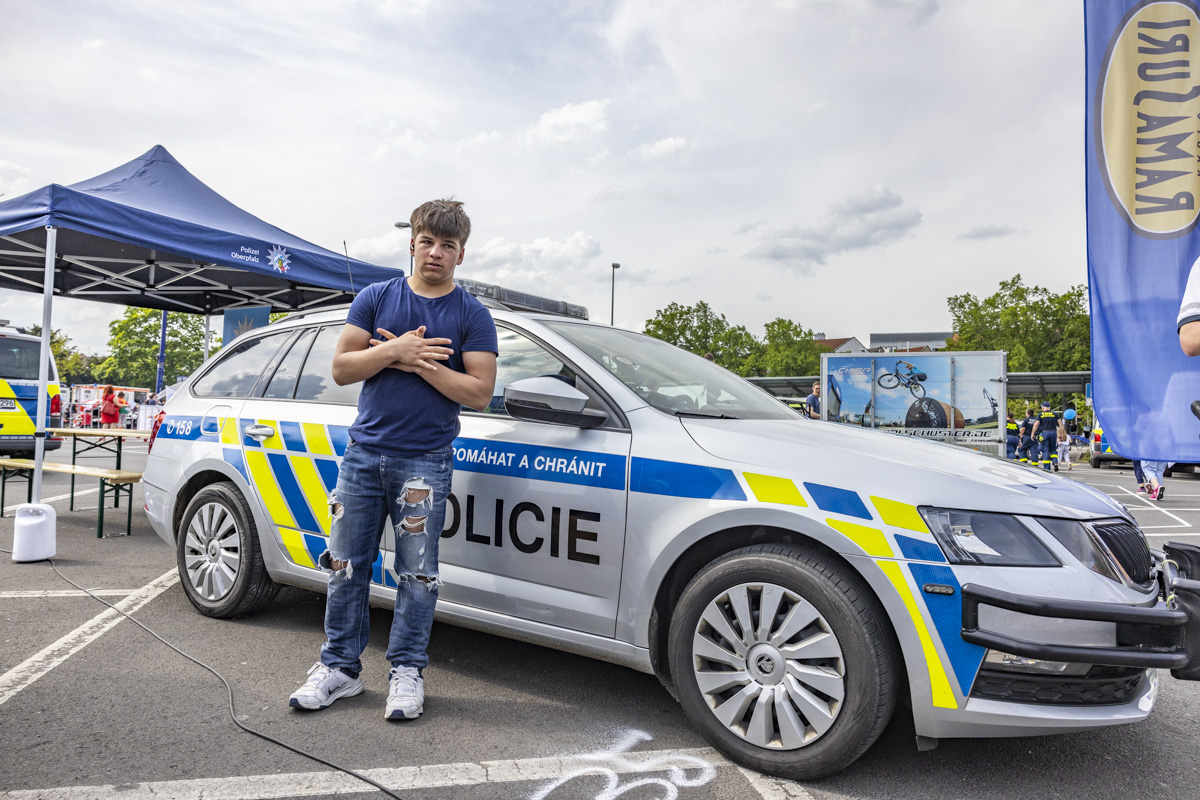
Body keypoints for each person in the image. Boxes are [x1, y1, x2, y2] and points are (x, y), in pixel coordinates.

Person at [289, 199, 498, 721]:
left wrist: (419, 364)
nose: (436, 253)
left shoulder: (472, 314)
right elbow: (340, 368)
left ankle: (407, 672)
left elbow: (479, 393)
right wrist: (394, 352)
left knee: (417, 574)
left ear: (461, 254)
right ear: (412, 243)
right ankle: (339, 669)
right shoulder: (376, 297)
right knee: (344, 567)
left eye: (447, 245)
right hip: (363, 456)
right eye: (428, 241)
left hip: (426, 461)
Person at [1031, 401, 1059, 472]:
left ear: (1043, 407)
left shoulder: (1040, 414)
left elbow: (1036, 424)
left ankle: (1047, 469)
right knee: (1053, 449)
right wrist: (1061, 434)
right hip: (1053, 432)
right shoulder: (1055, 414)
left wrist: (1033, 433)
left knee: (1045, 450)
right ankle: (1055, 461)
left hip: (1044, 433)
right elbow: (1060, 424)